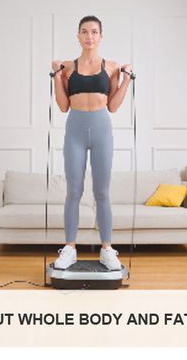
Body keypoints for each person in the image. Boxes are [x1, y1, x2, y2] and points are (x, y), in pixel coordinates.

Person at [51, 15, 131, 270]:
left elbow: (114, 106)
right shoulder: (67, 67)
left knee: (102, 191)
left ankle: (107, 248)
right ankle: (70, 249)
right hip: (74, 129)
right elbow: (63, 106)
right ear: (78, 36)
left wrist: (126, 79)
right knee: (73, 191)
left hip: (101, 130)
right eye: (84, 32)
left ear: (101, 36)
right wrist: (55, 76)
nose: (89, 36)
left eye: (94, 32)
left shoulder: (112, 67)